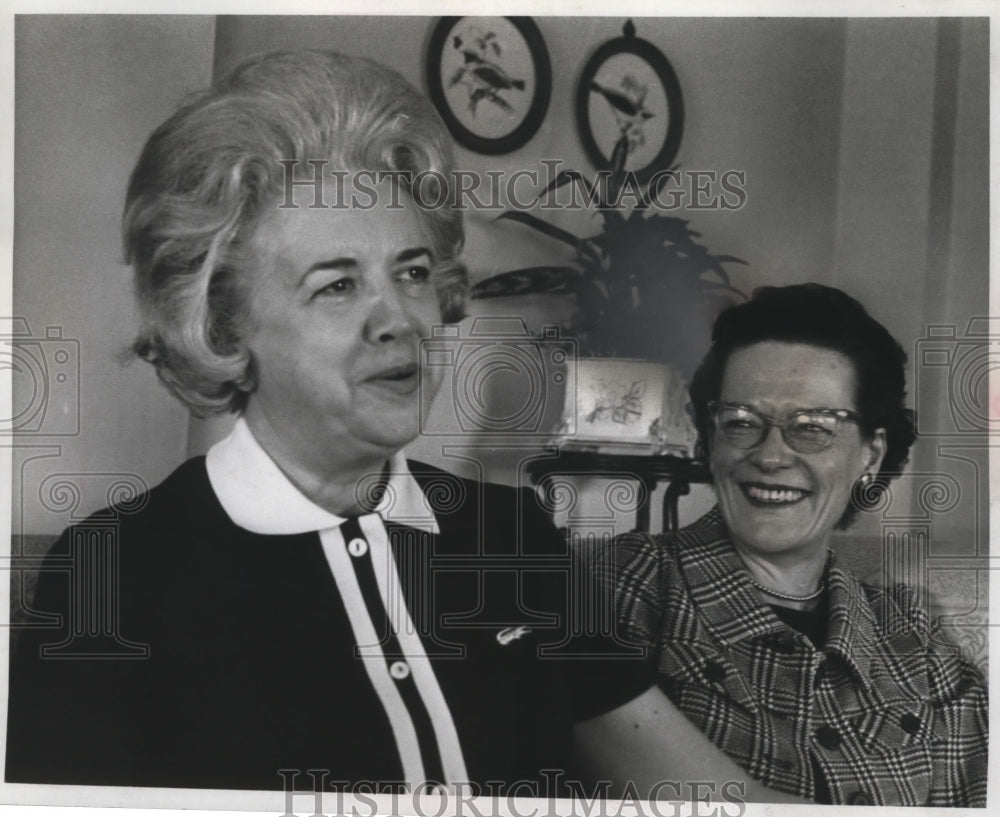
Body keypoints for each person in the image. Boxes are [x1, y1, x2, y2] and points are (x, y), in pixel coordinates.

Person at [5, 50, 804, 802]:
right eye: (337, 285)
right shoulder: (115, 574)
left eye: (413, 273)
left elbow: (717, 798)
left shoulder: (509, 537)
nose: (400, 319)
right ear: (222, 324)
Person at [606, 283, 988, 806]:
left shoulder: (916, 642)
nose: (770, 456)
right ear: (710, 440)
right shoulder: (622, 586)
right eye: (742, 423)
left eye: (812, 427)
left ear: (871, 456)